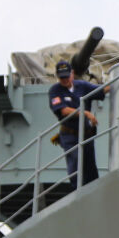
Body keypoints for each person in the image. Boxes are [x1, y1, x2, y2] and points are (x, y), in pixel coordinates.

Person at [48, 59, 110, 191]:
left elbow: (101, 90)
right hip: (70, 136)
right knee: (76, 167)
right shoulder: (55, 90)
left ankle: (93, 193)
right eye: (61, 77)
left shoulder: (82, 86)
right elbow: (63, 110)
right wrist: (86, 113)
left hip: (86, 135)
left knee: (90, 169)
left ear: (72, 73)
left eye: (66, 76)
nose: (64, 80)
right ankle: (78, 193)